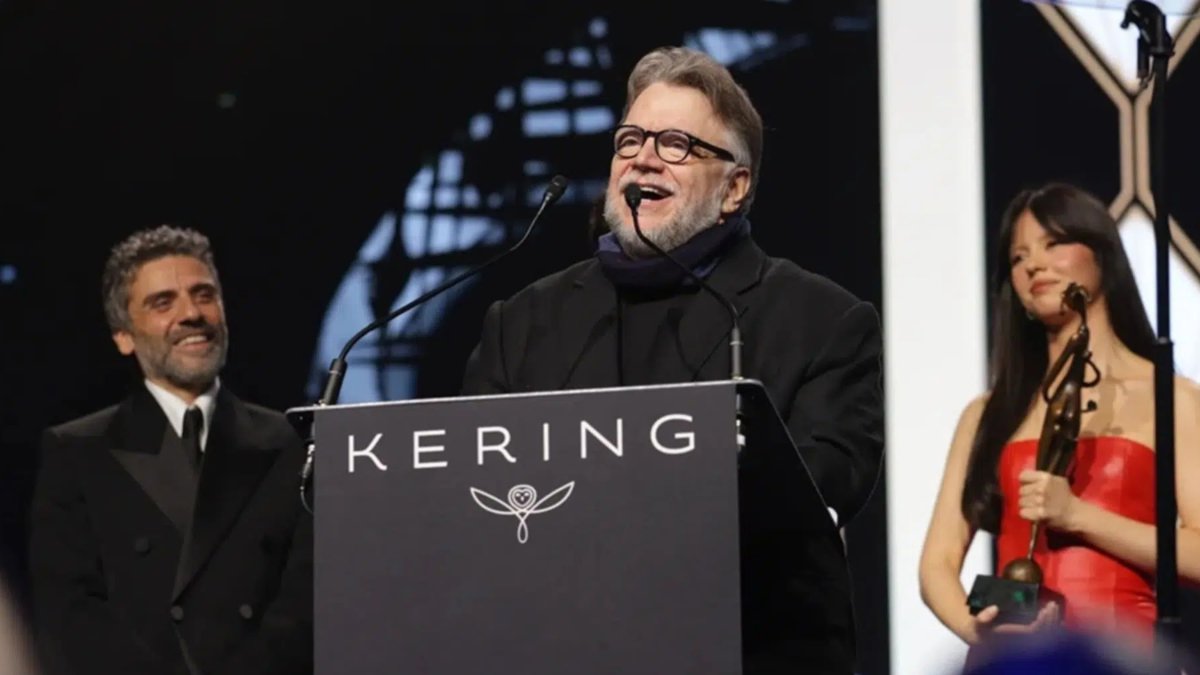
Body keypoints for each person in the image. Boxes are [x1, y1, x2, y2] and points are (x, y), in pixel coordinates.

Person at [462, 46, 883, 674]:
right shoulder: (524, 321)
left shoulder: (821, 321)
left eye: (678, 144)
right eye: (630, 139)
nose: (644, 158)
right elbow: (464, 488)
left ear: (735, 187)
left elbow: (826, 483)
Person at [918, 183, 1200, 660]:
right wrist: (979, 629)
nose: (1034, 265)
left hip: (1120, 657)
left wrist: (1078, 517)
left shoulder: (1172, 398)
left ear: (1102, 254)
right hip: (1017, 662)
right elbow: (937, 563)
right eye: (1018, 256)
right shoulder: (988, 413)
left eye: (1054, 243)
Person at [28, 226, 312, 675]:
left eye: (204, 295)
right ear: (123, 335)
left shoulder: (290, 442)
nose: (192, 313)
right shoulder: (77, 451)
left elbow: (306, 603)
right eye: (163, 302)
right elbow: (71, 613)